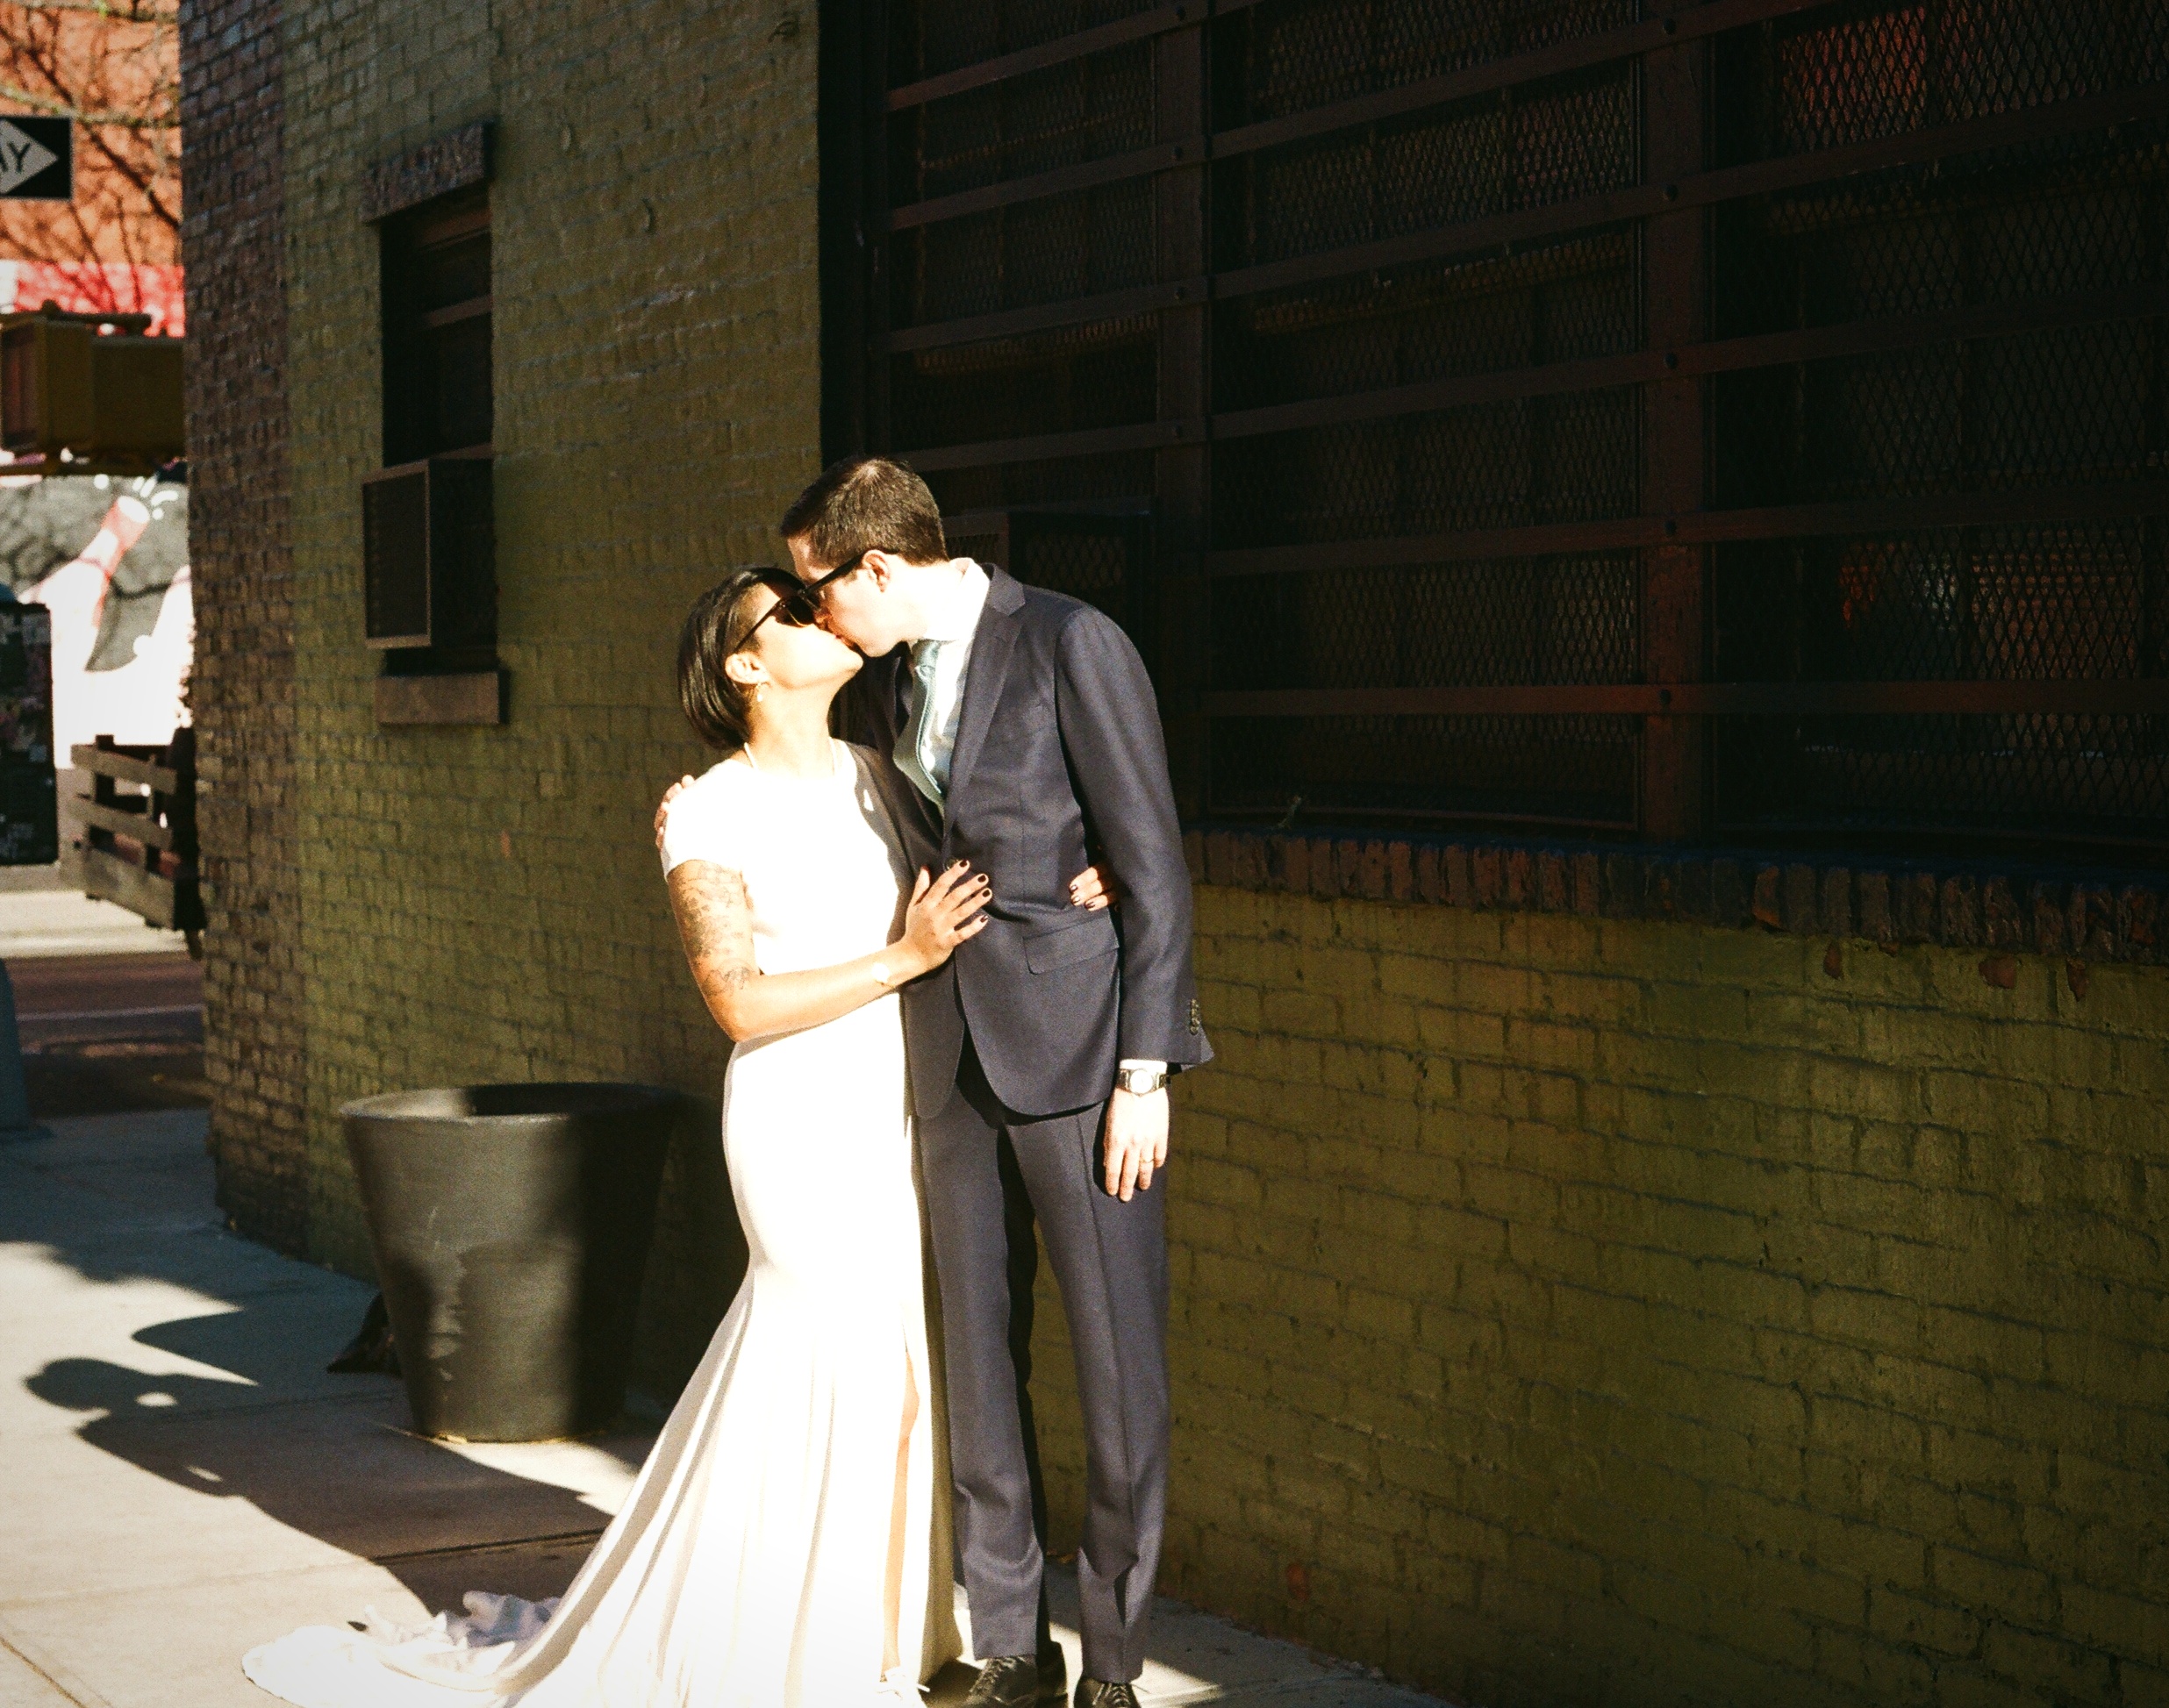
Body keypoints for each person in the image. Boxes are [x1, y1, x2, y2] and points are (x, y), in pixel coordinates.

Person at [242, 567, 1106, 1707]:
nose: (825, 614)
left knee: (906, 1362)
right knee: (817, 1351)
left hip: (911, 1114)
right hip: (802, 1119)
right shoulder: (708, 808)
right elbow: (740, 1002)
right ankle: (778, 1638)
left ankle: (884, 1625)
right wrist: (905, 958)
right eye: (792, 612)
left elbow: (989, 876)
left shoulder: (882, 779)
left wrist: (1088, 877)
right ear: (746, 665)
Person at [781, 456, 1211, 1708]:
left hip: (1083, 1058)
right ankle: (1010, 1648)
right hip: (948, 1053)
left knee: (1119, 1375)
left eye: (825, 593)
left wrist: (1149, 1069)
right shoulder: (885, 684)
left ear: (879, 567)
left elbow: (1157, 864)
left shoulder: (1076, 641)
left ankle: (1115, 1669)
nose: (822, 619)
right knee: (979, 1359)